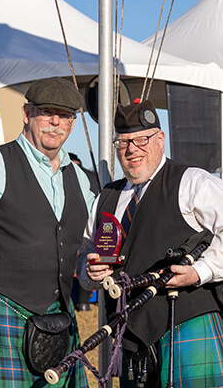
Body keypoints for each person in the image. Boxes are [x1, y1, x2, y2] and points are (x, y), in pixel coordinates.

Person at [0, 77, 95, 387]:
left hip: (57, 317)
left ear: (72, 123)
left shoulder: (79, 179)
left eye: (66, 115)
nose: (56, 122)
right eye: (47, 112)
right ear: (26, 113)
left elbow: (90, 242)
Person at [77, 98, 223, 388]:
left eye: (142, 140)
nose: (132, 149)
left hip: (187, 321)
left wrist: (199, 272)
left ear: (160, 139)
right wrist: (89, 271)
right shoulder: (105, 198)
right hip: (130, 339)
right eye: (123, 142)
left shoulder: (192, 181)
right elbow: (84, 255)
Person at [69, 152, 99, 311]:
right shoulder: (92, 176)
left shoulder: (67, 175)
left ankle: (80, 303)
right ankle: (84, 303)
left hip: (72, 229)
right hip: (91, 228)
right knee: (88, 263)